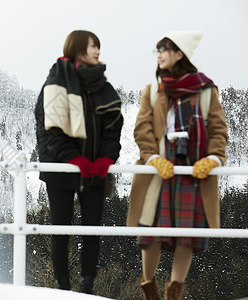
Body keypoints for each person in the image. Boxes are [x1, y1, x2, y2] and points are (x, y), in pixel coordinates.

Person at [127, 31, 228, 300]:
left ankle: (174, 291)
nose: (158, 55)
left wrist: (212, 158)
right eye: (157, 50)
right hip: (160, 164)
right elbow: (143, 129)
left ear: (180, 54)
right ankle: (149, 288)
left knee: (188, 232)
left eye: (164, 49)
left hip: (194, 166)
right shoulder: (153, 91)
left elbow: (219, 131)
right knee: (151, 229)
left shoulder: (206, 91)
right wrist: (152, 158)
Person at [35, 30, 123, 294]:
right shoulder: (56, 81)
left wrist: (107, 157)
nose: (98, 50)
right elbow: (49, 128)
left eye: (98, 46)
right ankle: (62, 288)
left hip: (95, 170)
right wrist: (74, 159)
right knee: (61, 228)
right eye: (92, 45)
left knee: (92, 229)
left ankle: (87, 287)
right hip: (61, 169)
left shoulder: (103, 86)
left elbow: (113, 127)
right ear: (77, 48)